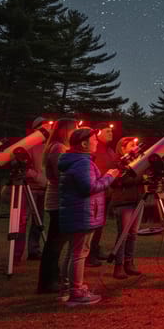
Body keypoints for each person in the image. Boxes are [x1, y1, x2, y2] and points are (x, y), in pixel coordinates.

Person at [59, 127, 119, 306]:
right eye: (93, 140)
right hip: (83, 213)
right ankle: (77, 292)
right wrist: (110, 177)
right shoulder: (83, 162)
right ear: (84, 143)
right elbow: (89, 188)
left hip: (77, 211)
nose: (96, 142)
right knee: (79, 253)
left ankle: (67, 288)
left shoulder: (74, 160)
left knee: (73, 252)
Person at [36, 118, 78, 297]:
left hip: (59, 199)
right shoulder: (59, 148)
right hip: (58, 200)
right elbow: (64, 174)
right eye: (74, 129)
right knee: (55, 243)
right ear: (65, 131)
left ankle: (53, 277)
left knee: (56, 242)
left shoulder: (57, 147)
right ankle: (48, 281)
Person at [13, 116, 49, 263]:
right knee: (21, 220)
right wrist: (37, 177)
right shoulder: (28, 144)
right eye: (46, 126)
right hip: (29, 188)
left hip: (44, 189)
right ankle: (15, 254)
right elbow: (20, 165)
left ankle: (34, 250)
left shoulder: (49, 146)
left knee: (38, 221)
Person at [109, 136, 144, 279]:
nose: (134, 148)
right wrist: (140, 177)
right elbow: (119, 181)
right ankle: (118, 266)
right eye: (131, 145)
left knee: (133, 234)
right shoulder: (118, 163)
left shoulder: (137, 161)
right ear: (122, 148)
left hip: (137, 200)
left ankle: (129, 263)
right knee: (123, 234)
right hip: (124, 201)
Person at [88, 122, 117, 267]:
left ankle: (95, 249)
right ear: (98, 133)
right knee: (94, 224)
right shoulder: (94, 150)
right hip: (97, 192)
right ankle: (89, 255)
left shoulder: (110, 150)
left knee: (101, 224)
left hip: (108, 192)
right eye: (107, 131)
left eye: (111, 132)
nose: (110, 133)